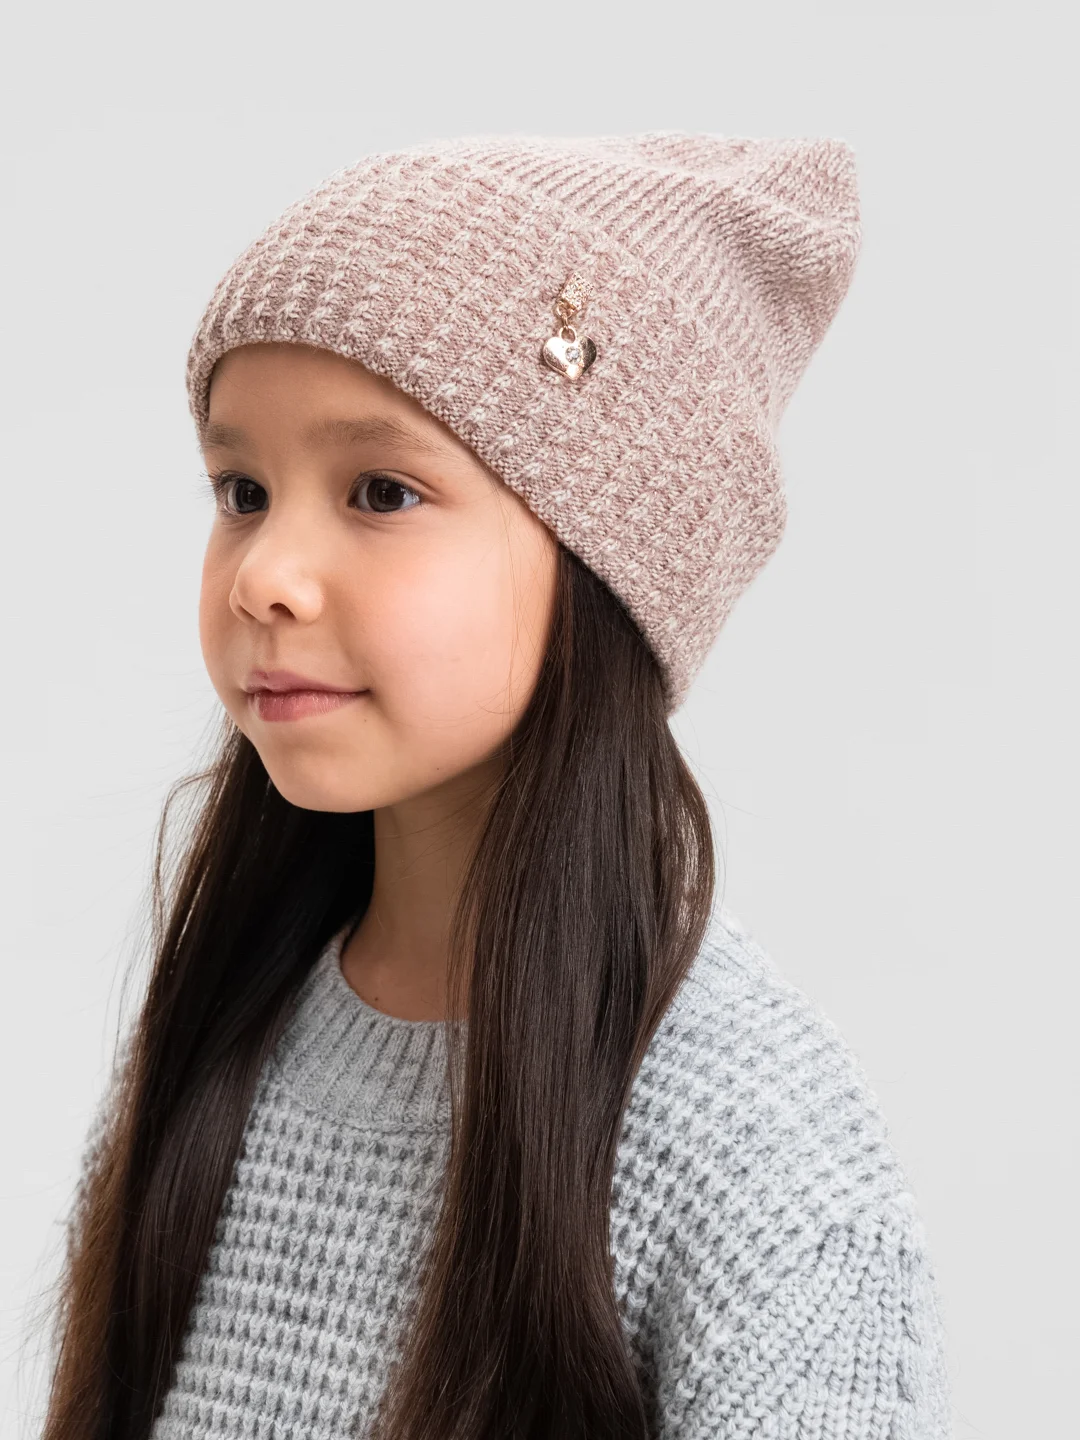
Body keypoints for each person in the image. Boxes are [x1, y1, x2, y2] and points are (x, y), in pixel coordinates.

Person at [40, 130, 953, 1440]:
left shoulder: (755, 1160)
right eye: (242, 490)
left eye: (380, 491)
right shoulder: (218, 1035)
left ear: (607, 567)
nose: (265, 576)